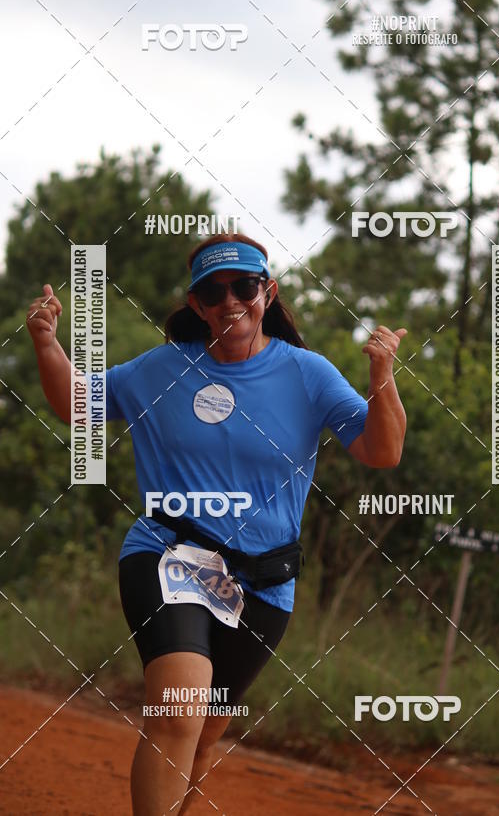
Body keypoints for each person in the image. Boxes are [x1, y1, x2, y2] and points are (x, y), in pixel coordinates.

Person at [27, 233, 407, 815]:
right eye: (213, 292)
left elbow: (382, 450)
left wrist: (382, 374)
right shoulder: (162, 369)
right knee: (179, 712)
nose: (230, 301)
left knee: (205, 733)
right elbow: (77, 404)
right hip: (172, 554)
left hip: (265, 581)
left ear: (267, 293)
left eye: (244, 286)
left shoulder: (308, 374)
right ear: (197, 304)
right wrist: (47, 343)